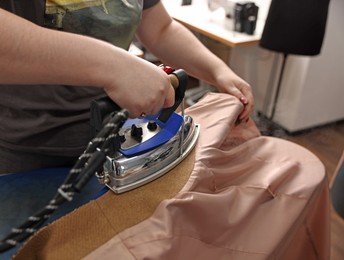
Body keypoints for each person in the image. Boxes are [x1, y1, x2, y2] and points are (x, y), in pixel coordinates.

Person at [0, 0, 254, 174]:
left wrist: (218, 71)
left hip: (115, 136)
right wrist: (112, 66)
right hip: (22, 149)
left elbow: (161, 29)